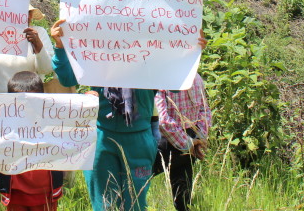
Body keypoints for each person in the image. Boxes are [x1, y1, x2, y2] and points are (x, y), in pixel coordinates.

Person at [48, 20, 206, 211]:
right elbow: (67, 79)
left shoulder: (151, 53)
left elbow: (176, 83)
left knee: (135, 205)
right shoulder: (97, 48)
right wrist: (60, 44)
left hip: (139, 141)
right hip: (101, 140)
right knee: (104, 206)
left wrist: (190, 52)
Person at [0, 71, 66, 210]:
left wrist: (89, 101)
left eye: (33, 100)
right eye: (21, 101)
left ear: (42, 98)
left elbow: (76, 122)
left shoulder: (53, 119)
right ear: (10, 101)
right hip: (14, 192)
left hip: (47, 192)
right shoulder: (4, 121)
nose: (27, 106)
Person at [153, 73, 212, 211]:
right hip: (189, 138)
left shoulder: (162, 79)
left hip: (167, 140)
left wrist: (191, 142)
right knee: (182, 197)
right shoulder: (196, 77)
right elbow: (205, 111)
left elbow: (163, 120)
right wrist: (198, 138)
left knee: (138, 181)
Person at [0, 6, 54, 94]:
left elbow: (46, 69)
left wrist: (38, 44)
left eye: (28, 13)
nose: (26, 17)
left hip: (27, 99)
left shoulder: (38, 33)